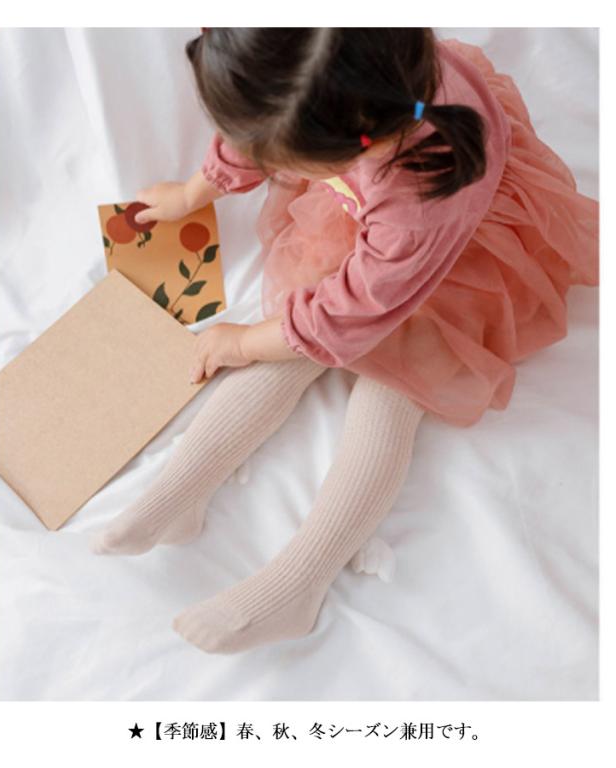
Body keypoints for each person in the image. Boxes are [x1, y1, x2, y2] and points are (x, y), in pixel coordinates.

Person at [90, 28, 599, 654]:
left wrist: (241, 344)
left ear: (336, 146)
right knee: (289, 333)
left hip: (461, 266)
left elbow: (340, 320)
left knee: (388, 394)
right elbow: (263, 120)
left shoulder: (415, 207)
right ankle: (177, 496)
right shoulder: (341, 66)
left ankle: (298, 585)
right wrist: (196, 192)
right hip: (373, 221)